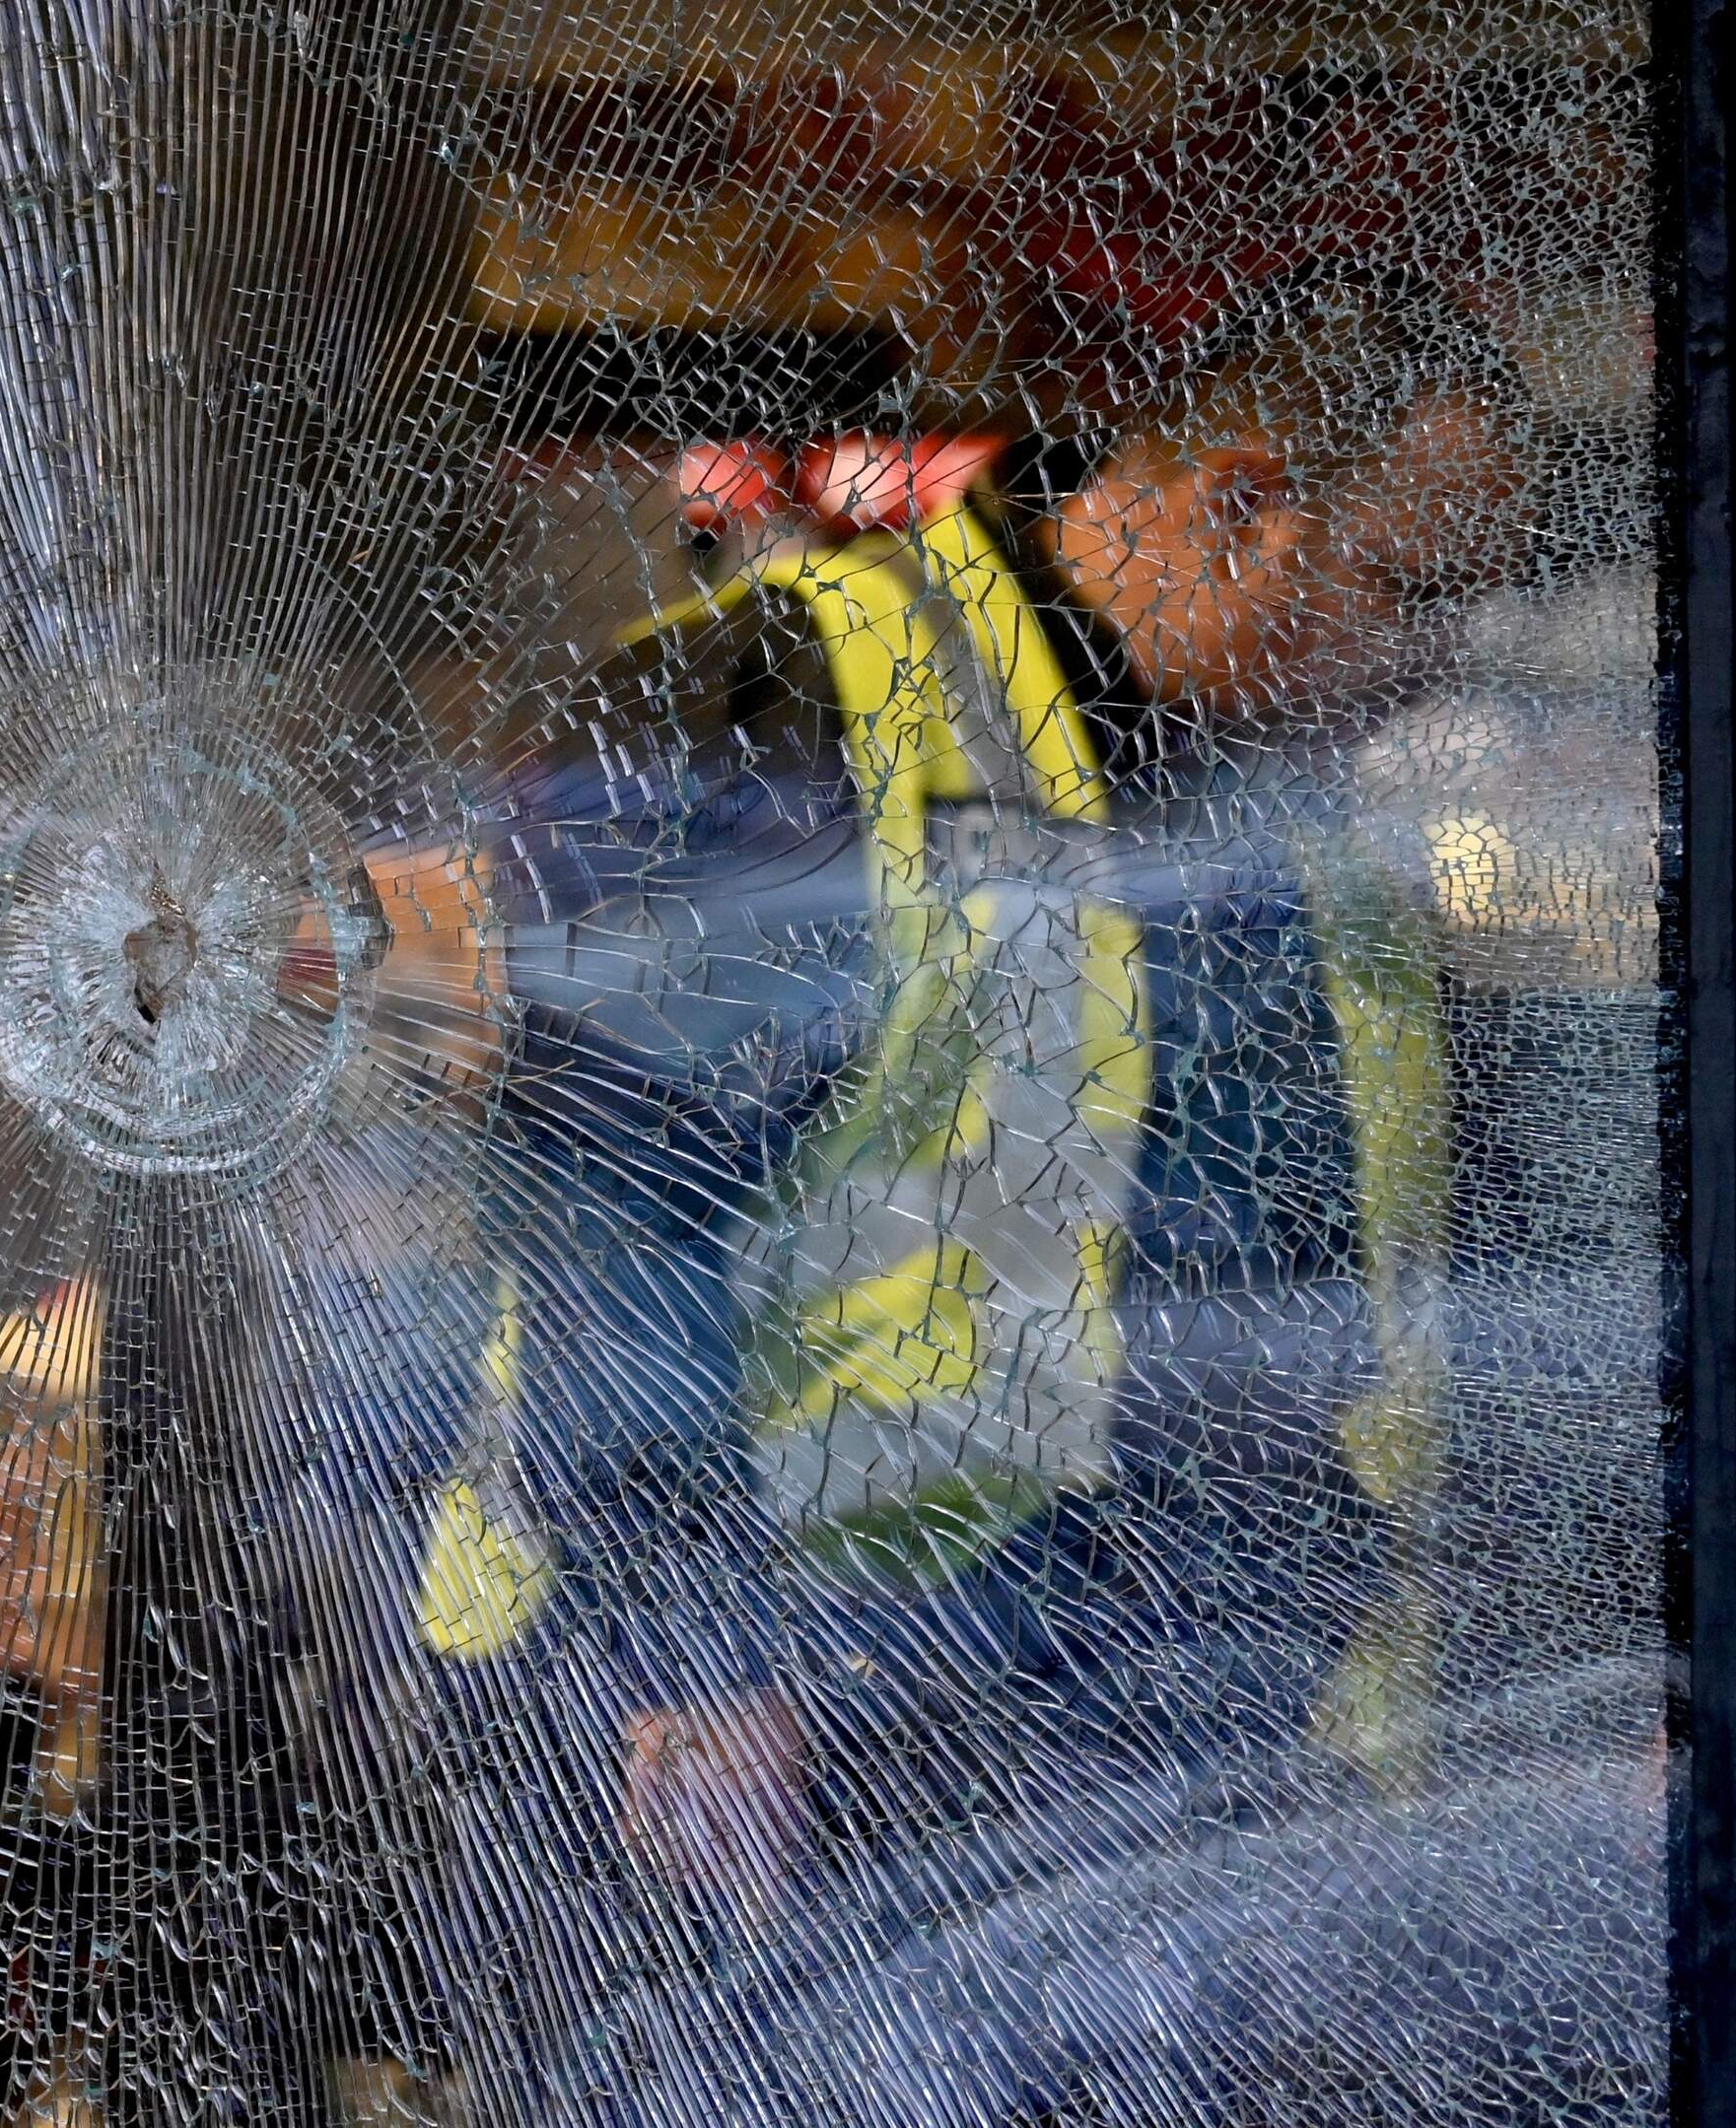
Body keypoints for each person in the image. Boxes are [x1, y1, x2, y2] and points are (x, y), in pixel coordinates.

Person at [330, 265, 1533, 2125]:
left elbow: (1289, 1260)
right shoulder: (796, 688)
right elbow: (618, 1190)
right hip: (809, 1734)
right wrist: (695, 1649)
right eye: (1410, 591)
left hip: (1118, 1715)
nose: (1433, 659)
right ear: (1240, 498)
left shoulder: (1274, 812)